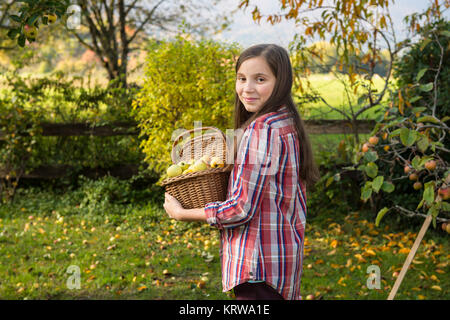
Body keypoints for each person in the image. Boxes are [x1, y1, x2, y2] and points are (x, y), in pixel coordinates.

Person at [163, 43, 320, 300]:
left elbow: (241, 209)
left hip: (258, 267)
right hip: (281, 262)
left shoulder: (261, 131)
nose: (247, 88)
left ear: (281, 82)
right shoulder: (286, 121)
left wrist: (182, 214)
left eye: (260, 79)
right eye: (241, 78)